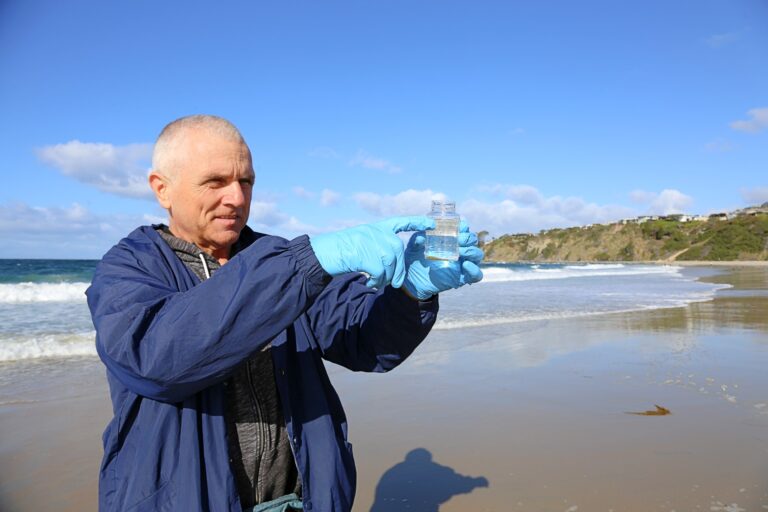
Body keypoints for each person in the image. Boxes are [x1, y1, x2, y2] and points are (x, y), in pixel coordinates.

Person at [86, 115, 484, 512]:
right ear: (162, 189)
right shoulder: (126, 269)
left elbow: (365, 341)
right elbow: (158, 357)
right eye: (216, 182)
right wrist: (304, 263)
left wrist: (410, 295)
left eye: (246, 182)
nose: (237, 199)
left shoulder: (279, 258)